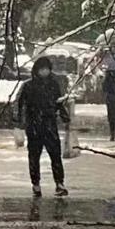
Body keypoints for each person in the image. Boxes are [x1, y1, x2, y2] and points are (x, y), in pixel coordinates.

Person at [16, 56, 70, 197]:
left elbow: (58, 102)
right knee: (34, 156)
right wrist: (18, 122)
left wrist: (64, 114)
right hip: (34, 126)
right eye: (42, 69)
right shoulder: (28, 86)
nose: (44, 72)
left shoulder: (53, 85)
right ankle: (36, 184)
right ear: (37, 70)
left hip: (49, 124)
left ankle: (59, 183)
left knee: (55, 155)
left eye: (46, 69)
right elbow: (19, 104)